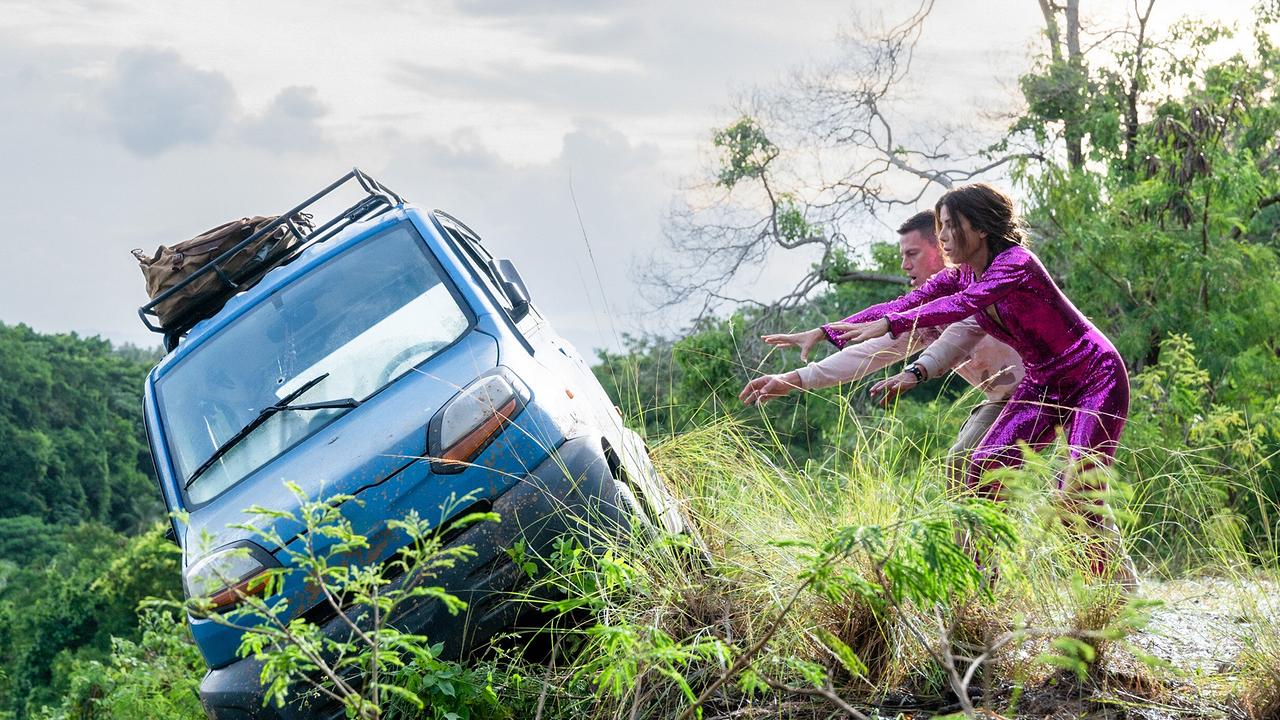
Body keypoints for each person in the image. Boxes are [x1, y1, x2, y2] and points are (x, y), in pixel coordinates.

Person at [831, 183, 1135, 586]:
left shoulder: (1017, 264)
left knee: (1076, 497)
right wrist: (824, 332)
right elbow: (905, 303)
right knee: (982, 470)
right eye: (939, 226)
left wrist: (892, 324)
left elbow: (959, 306)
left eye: (950, 225)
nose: (943, 237)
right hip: (1043, 383)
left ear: (980, 228)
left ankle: (1113, 598)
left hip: (1094, 376)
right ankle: (980, 584)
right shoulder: (962, 276)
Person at [738, 210, 1025, 486]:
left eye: (912, 254)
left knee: (1044, 479)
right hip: (1005, 400)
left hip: (1048, 384)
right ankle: (980, 535)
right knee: (959, 466)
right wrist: (793, 379)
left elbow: (962, 330)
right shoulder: (921, 316)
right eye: (902, 256)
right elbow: (867, 353)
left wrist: (914, 373)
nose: (904, 265)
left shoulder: (980, 285)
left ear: (943, 247)